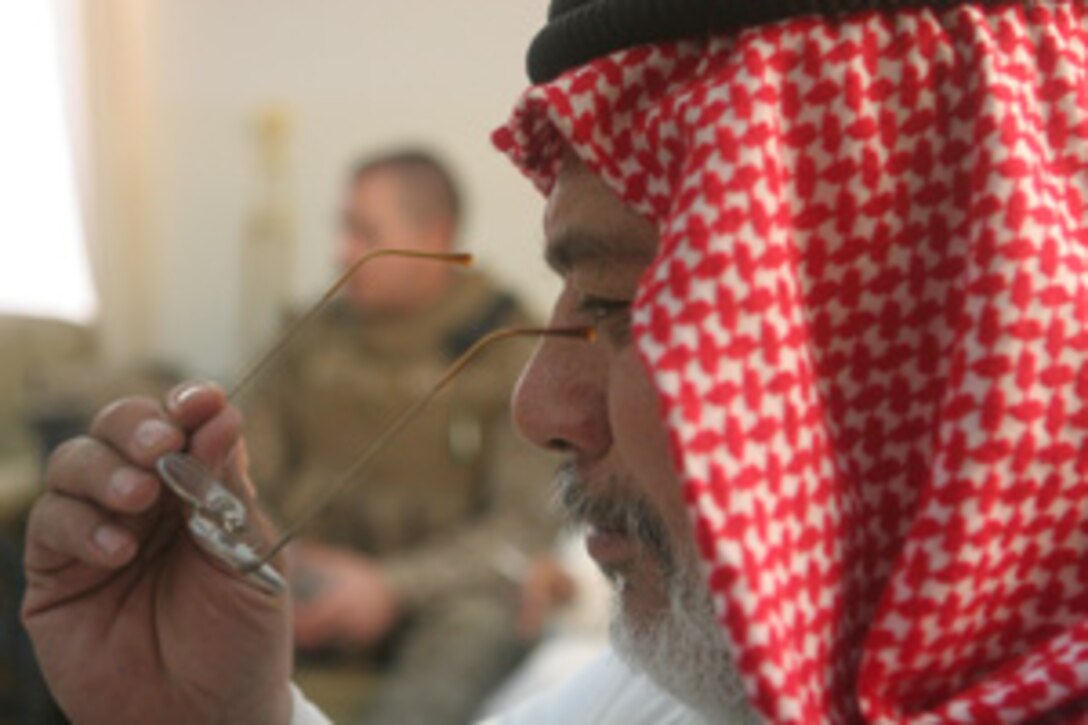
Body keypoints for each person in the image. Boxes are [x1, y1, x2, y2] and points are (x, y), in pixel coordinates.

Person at [21, 0, 1088, 722]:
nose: (543, 402)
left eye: (627, 305)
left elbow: (506, 525)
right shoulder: (662, 681)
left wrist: (384, 587)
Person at [246, 149, 562, 723]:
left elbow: (522, 528)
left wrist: (388, 589)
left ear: (434, 236)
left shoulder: (511, 352)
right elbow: (239, 472)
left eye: (365, 232)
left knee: (485, 619)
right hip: (301, 579)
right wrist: (278, 556)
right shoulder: (308, 340)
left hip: (434, 597)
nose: (342, 252)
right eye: (344, 228)